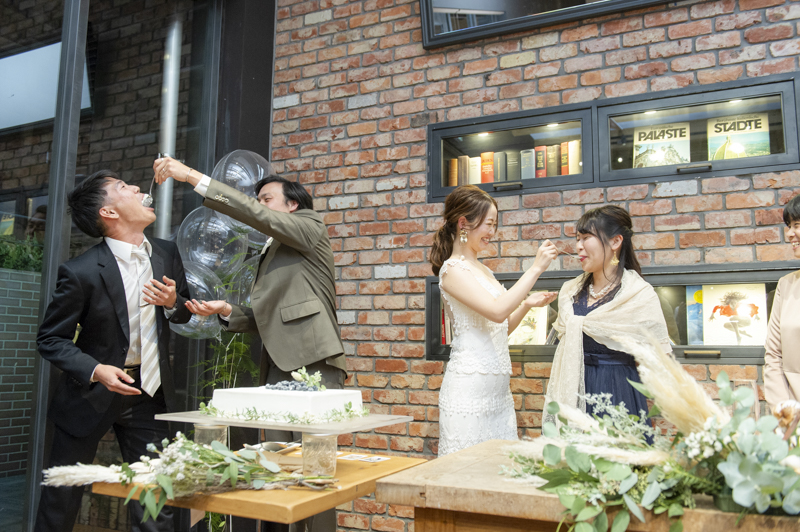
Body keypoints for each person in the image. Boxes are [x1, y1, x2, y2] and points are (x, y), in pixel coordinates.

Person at [153, 156, 344, 532]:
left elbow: (255, 215)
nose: (259, 205)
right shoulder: (272, 252)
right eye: (258, 199)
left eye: (267, 199)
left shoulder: (310, 226)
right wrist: (228, 311)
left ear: (293, 205)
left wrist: (190, 176)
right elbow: (273, 317)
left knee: (317, 470)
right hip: (277, 366)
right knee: (281, 468)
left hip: (314, 360)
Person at [35, 170, 191, 532]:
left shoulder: (166, 253)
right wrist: (95, 369)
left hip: (148, 392)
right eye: (123, 187)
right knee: (62, 497)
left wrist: (173, 303)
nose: (136, 188)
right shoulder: (81, 272)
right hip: (89, 396)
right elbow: (50, 339)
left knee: (154, 499)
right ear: (108, 212)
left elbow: (184, 312)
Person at [430, 185, 558, 456]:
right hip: (469, 392)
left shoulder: (484, 270)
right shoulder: (452, 270)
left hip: (498, 396)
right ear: (463, 223)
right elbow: (497, 311)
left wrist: (526, 305)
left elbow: (502, 325)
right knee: (466, 468)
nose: (492, 232)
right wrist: (536, 268)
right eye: (488, 224)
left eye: (495, 225)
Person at [545, 205, 671, 423]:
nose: (578, 246)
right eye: (577, 239)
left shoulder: (638, 294)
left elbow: (660, 357)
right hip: (572, 392)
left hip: (618, 392)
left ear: (615, 242)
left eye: (586, 238)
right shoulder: (570, 291)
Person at [764, 194, 800, 411]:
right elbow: (774, 355)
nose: (790, 233)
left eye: (797, 225)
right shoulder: (786, 285)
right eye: (789, 226)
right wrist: (785, 414)